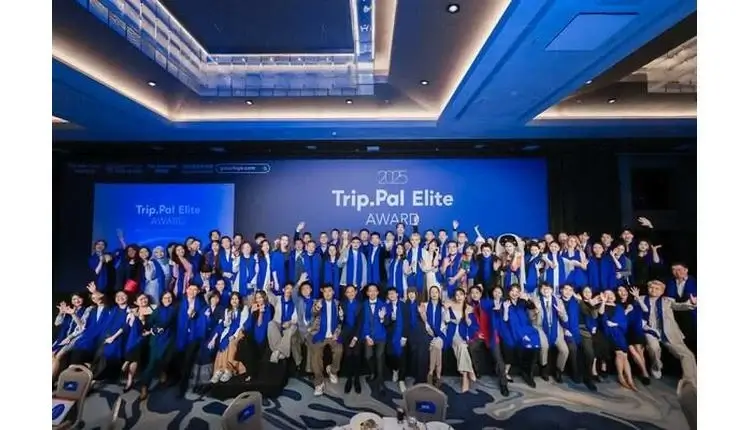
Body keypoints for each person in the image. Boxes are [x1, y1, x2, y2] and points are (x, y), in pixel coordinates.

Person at [635, 280, 697, 383]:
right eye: (651, 288)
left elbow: (679, 306)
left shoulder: (667, 300)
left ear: (662, 292)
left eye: (657, 289)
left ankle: (690, 379)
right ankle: (656, 367)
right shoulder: (640, 298)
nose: (653, 290)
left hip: (668, 332)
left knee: (687, 355)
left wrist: (691, 303)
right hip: (650, 330)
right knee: (654, 348)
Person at [467, 285, 509, 396]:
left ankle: (503, 384)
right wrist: (477, 334)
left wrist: (498, 305)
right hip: (479, 335)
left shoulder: (487, 303)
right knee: (471, 347)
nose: (474, 295)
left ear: (481, 294)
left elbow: (497, 304)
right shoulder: (469, 306)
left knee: (498, 359)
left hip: (491, 334)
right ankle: (477, 370)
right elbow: (470, 324)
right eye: (472, 293)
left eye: (477, 293)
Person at [310, 284, 343, 396]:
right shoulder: (318, 302)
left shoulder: (337, 303)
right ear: (322, 293)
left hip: (333, 335)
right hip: (320, 335)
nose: (328, 293)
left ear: (333, 292)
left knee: (339, 350)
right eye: (325, 291)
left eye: (330, 291)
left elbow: (340, 321)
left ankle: (332, 371)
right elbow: (313, 313)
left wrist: (337, 333)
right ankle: (319, 383)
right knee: (315, 356)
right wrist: (317, 308)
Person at [533, 282, 570, 383]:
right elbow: (531, 319)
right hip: (540, 328)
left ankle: (559, 371)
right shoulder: (536, 300)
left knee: (565, 350)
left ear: (552, 290)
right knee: (544, 346)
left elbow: (565, 318)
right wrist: (535, 312)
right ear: (540, 291)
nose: (546, 290)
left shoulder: (558, 301)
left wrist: (561, 313)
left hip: (556, 329)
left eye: (548, 288)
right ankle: (544, 368)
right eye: (543, 288)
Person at [361, 283, 389, 396]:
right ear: (367, 293)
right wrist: (367, 336)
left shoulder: (383, 304)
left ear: (377, 292)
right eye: (370, 290)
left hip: (381, 336)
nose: (372, 292)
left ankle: (380, 382)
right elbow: (363, 322)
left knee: (379, 357)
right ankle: (373, 372)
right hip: (369, 336)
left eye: (374, 290)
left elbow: (387, 323)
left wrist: (382, 318)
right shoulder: (363, 305)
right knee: (368, 356)